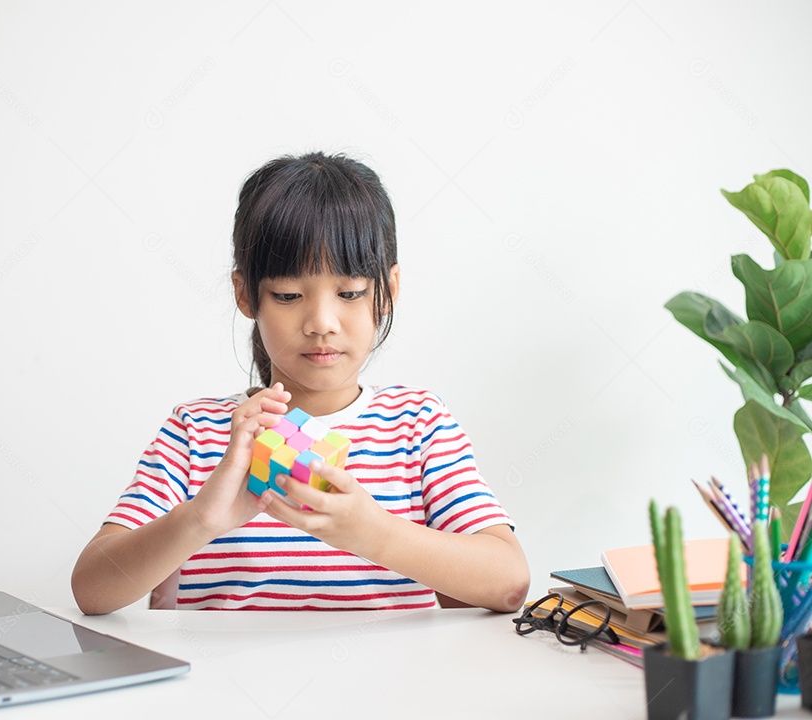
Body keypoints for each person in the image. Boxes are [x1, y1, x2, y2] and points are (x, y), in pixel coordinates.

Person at [72, 151, 529, 613]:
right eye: (288, 295)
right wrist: (198, 520)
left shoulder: (416, 425)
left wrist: (375, 533)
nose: (321, 322)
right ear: (246, 295)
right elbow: (91, 592)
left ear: (388, 291)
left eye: (349, 293)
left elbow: (509, 582)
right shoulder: (198, 431)